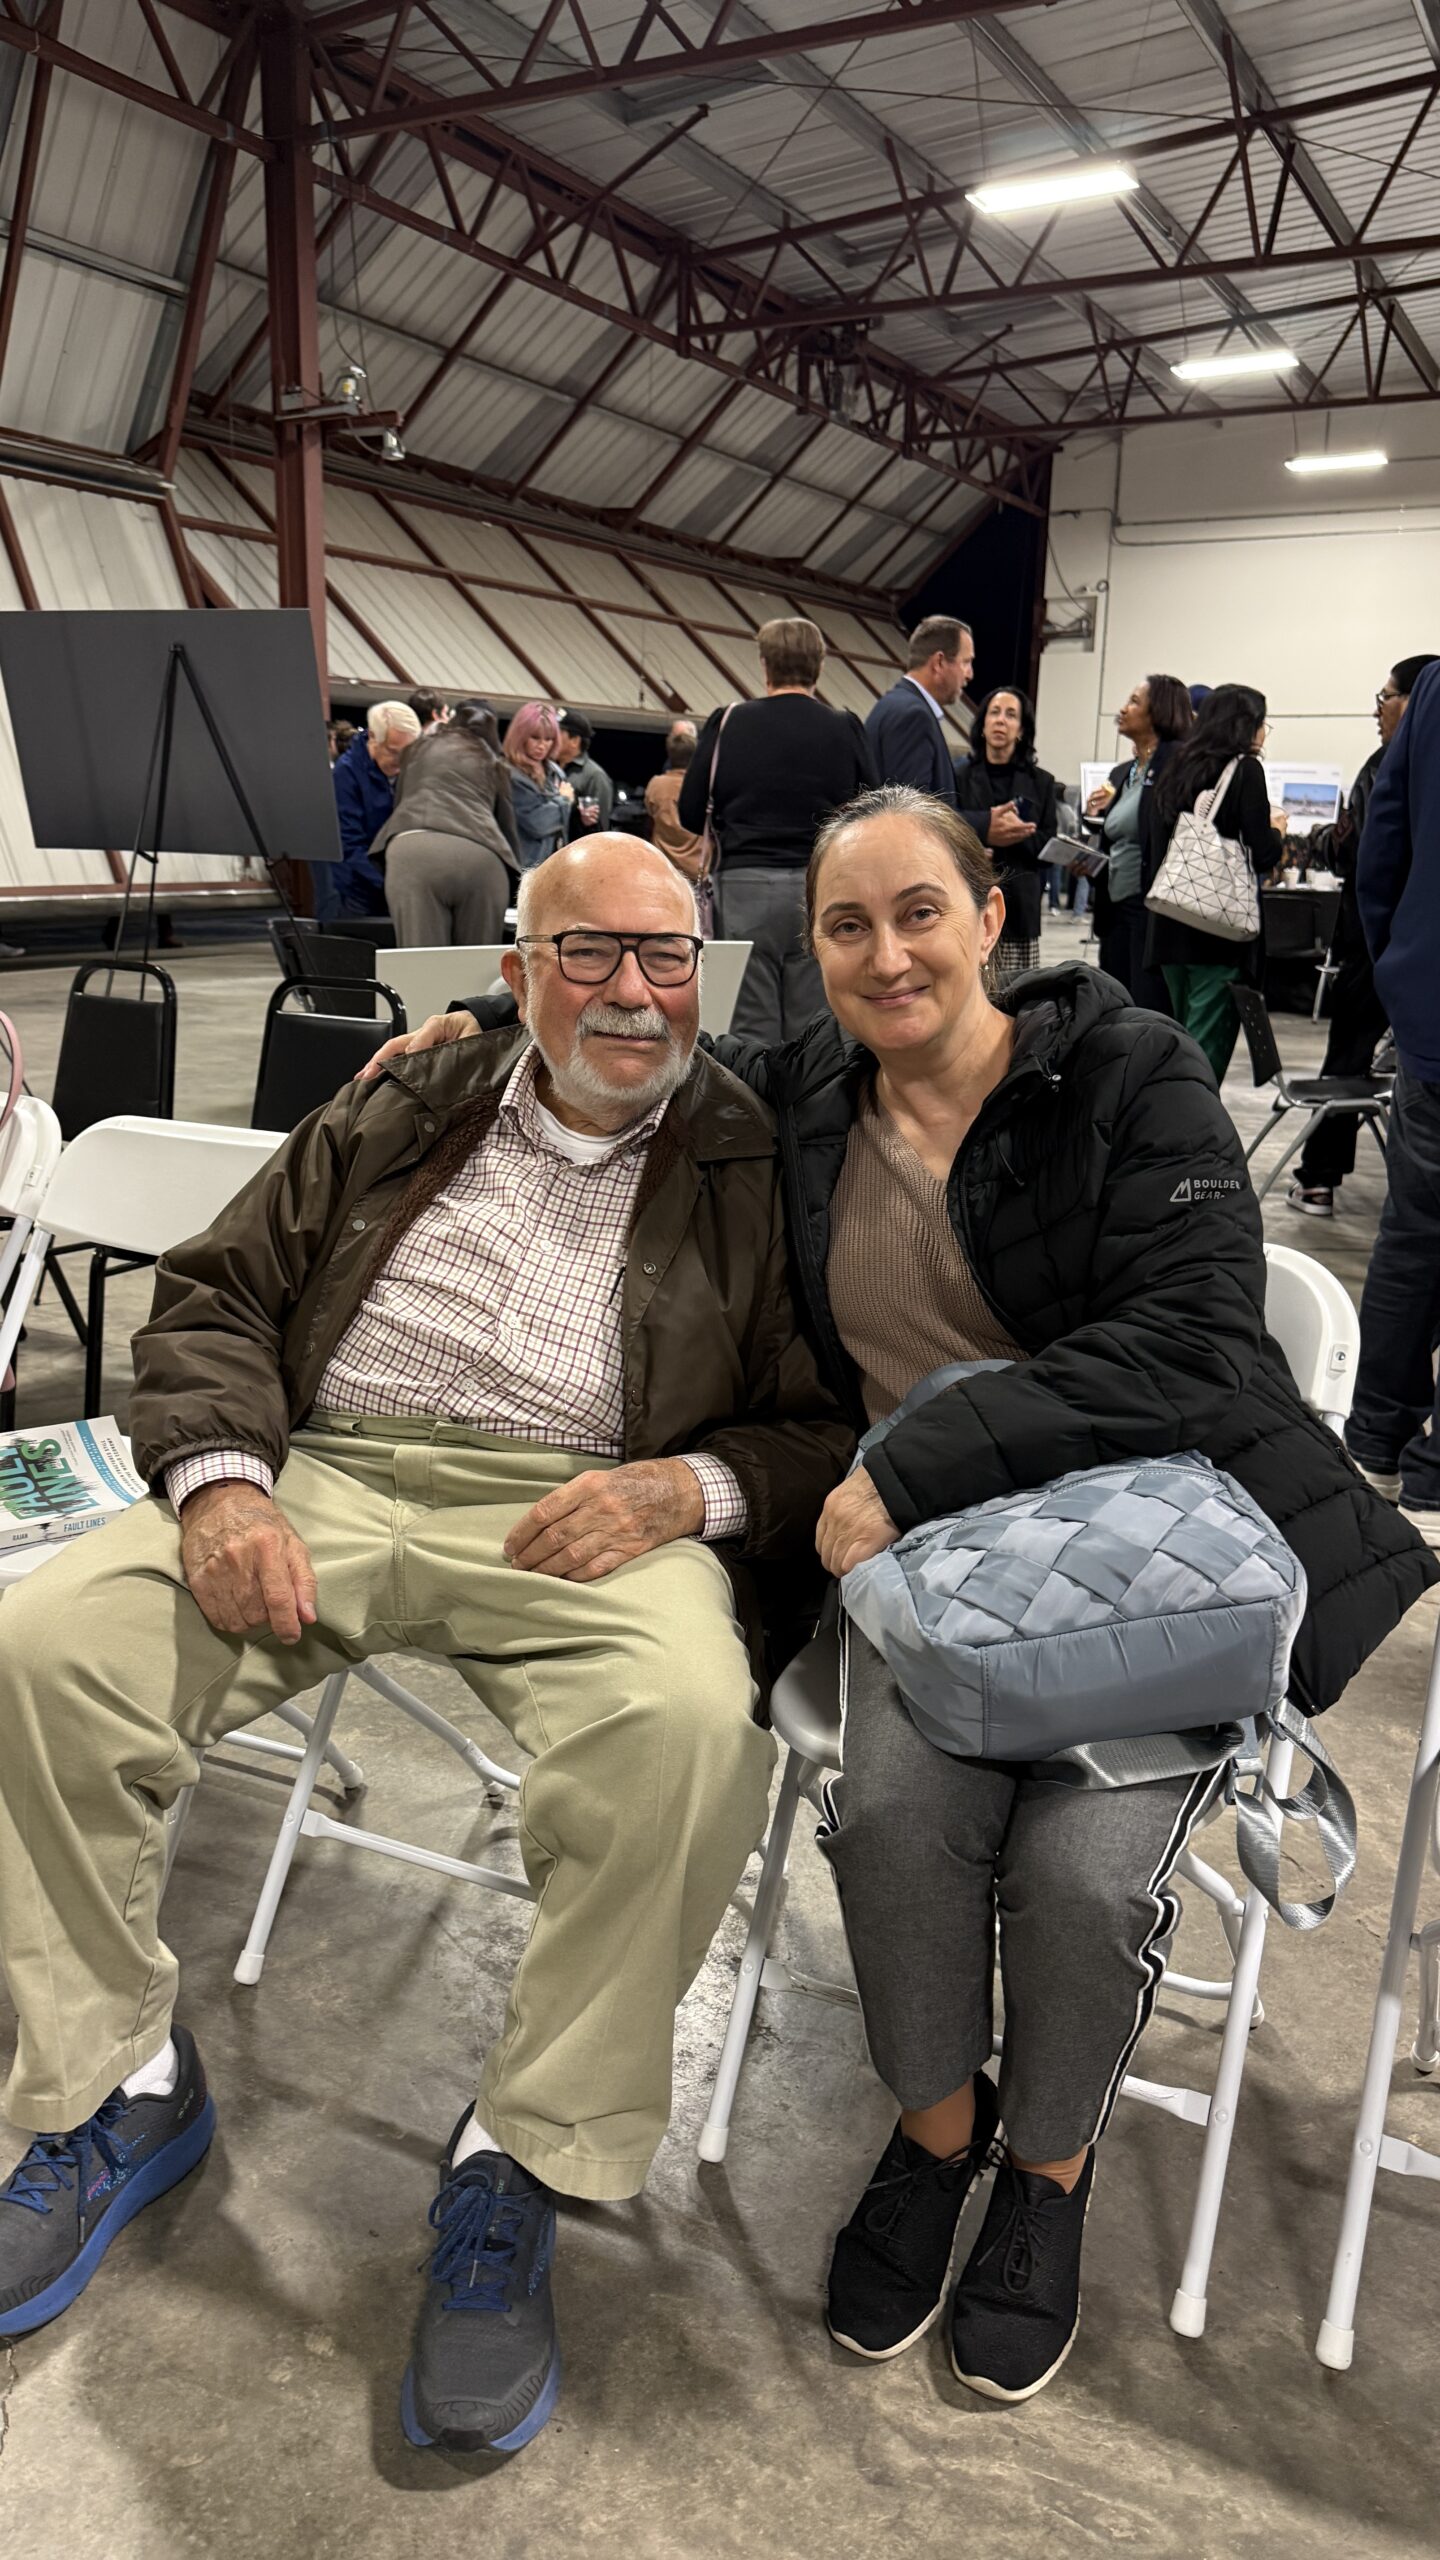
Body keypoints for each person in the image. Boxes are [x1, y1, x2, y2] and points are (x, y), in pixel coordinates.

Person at [398, 784, 1434, 2403]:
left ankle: (1047, 2174)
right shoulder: (809, 1094)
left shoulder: (1127, 1074)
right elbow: (641, 1048)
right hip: (920, 1575)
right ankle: (939, 2133)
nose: (886, 955)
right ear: (812, 951)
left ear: (992, 918)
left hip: (1137, 1555)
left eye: (919, 912)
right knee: (887, 1825)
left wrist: (930, 1455)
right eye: (846, 926)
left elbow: (1193, 1340)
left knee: (1082, 1877)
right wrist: (479, 1023)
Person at [0, 836, 850, 2455]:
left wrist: (694, 1487)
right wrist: (222, 1481)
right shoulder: (407, 1095)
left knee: (688, 1737)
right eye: (586, 952)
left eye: (668, 956)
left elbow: (828, 1418)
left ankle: (520, 2152)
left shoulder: (758, 1153)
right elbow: (219, 1294)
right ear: (515, 971)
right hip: (320, 1471)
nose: (632, 991)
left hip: (587, 1505)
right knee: (48, 1655)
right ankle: (117, 2085)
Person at [1287, 653, 1438, 1217]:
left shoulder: (1385, 765)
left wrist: (1322, 839)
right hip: (1410, 956)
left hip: (1381, 953)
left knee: (1349, 1060)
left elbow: (1366, 859)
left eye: (1385, 697)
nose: (1377, 711)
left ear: (1415, 700)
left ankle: (1319, 1180)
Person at [678, 617, 875, 1042]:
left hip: (743, 889)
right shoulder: (844, 727)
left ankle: (758, 1087)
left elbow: (690, 812)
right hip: (820, 885)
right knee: (815, 1025)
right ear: (819, 666)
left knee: (750, 1028)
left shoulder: (727, 722)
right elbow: (873, 812)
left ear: (765, 665)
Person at [1347, 657, 1440, 1542]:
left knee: (1413, 1236)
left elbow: (1384, 844)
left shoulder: (1437, 688)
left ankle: (1376, 1443)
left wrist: (1404, 966)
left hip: (1430, 1012)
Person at [1144, 684, 1281, 1086]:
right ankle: (1187, 1125)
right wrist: (1276, 829)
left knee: (1179, 1045)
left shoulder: (1177, 765)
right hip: (1219, 933)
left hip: (1171, 924)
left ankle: (1169, 1120)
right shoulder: (1245, 770)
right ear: (1246, 725)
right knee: (1203, 1060)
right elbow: (1263, 852)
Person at [865, 620, 1036, 869]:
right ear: (939, 662)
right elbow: (911, 812)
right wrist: (984, 825)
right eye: (966, 662)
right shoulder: (913, 715)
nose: (970, 674)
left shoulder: (896, 705)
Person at [372, 697, 519, 947]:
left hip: (412, 852)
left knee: (419, 962)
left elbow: (400, 805)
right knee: (474, 966)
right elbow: (507, 828)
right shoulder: (495, 762)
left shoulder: (418, 749)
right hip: (482, 859)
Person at [1084, 675, 1193, 1006]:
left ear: (1159, 711)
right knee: (1115, 1005)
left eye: (1133, 701)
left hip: (1150, 909)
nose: (1122, 709)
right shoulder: (1123, 773)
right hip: (1115, 904)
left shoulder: (1177, 765)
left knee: (1146, 1006)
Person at [954, 686, 1058, 990]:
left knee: (1017, 996)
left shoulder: (1042, 782)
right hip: (970, 901)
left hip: (1020, 907)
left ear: (1022, 730)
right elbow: (949, 825)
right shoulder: (959, 776)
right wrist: (979, 840)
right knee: (968, 991)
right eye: (995, 713)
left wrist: (1013, 834)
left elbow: (1048, 845)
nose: (1001, 720)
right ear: (983, 724)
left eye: (1011, 715)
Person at [325, 702, 421, 921]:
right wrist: (389, 882)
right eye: (393, 752)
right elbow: (349, 845)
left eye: (408, 754)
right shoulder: (346, 774)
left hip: (400, 885)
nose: (400, 762)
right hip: (360, 891)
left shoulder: (409, 771)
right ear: (372, 737)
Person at [503, 701, 573, 871]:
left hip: (552, 865)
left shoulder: (554, 772)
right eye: (535, 738)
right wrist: (564, 801)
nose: (542, 745)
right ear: (521, 736)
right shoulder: (509, 774)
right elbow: (538, 823)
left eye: (548, 739)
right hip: (522, 867)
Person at [645, 720, 704, 881]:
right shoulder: (704, 786)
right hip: (696, 870)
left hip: (664, 868)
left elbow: (650, 819)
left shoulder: (656, 784)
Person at [556, 709, 614, 837]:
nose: (551, 738)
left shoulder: (595, 776)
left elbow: (600, 831)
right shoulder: (550, 769)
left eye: (558, 733)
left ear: (575, 741)